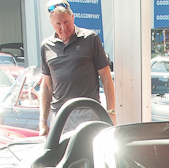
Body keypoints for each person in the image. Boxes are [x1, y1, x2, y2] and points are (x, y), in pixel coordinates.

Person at [39, 0, 116, 137]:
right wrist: (43, 121)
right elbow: (46, 86)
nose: (63, 27)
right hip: (60, 114)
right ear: (51, 23)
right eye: (58, 24)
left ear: (73, 17)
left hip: (87, 112)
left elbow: (106, 78)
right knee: (62, 156)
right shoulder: (46, 46)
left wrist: (111, 112)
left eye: (66, 22)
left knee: (88, 154)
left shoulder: (90, 39)